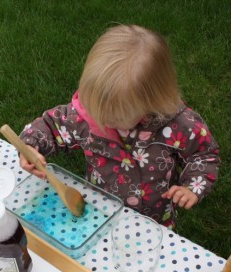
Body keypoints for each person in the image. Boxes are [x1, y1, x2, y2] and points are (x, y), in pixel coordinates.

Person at [18, 24, 220, 229]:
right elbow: (52, 126)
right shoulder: (87, 116)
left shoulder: (179, 125)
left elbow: (203, 155)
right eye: (96, 107)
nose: (102, 120)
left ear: (152, 101)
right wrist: (31, 145)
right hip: (101, 208)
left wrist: (192, 187)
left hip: (155, 217)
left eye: (115, 116)